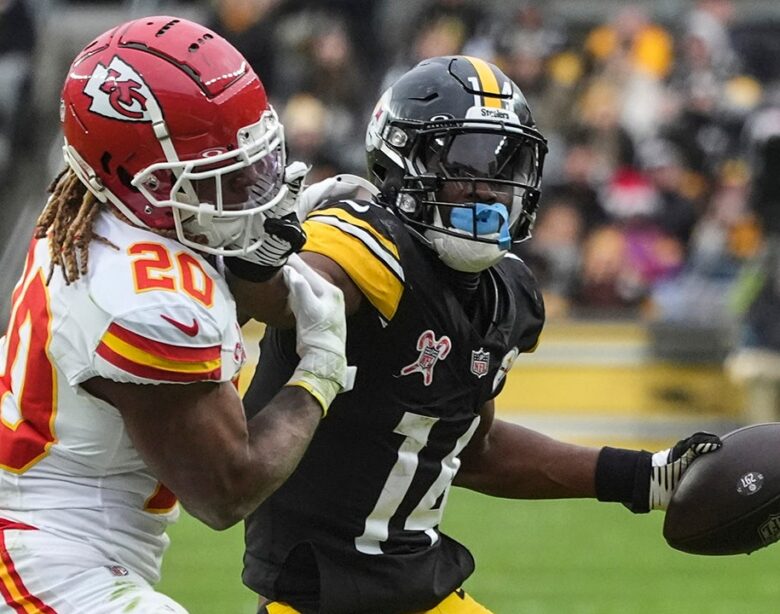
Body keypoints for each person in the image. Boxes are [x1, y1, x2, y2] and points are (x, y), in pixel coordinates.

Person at [231, 56, 723, 614]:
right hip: (318, 598)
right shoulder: (362, 246)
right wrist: (264, 263)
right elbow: (290, 303)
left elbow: (476, 446)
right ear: (399, 162)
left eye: (506, 164)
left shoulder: (504, 291)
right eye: (465, 163)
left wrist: (643, 477)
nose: (489, 189)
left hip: (421, 589)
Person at [0, 15, 349, 613]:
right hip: (41, 549)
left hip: (60, 530)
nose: (251, 188)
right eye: (222, 175)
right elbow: (226, 489)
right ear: (138, 179)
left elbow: (221, 298)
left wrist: (258, 257)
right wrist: (320, 369)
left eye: (252, 164)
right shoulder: (143, 299)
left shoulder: (103, 208)